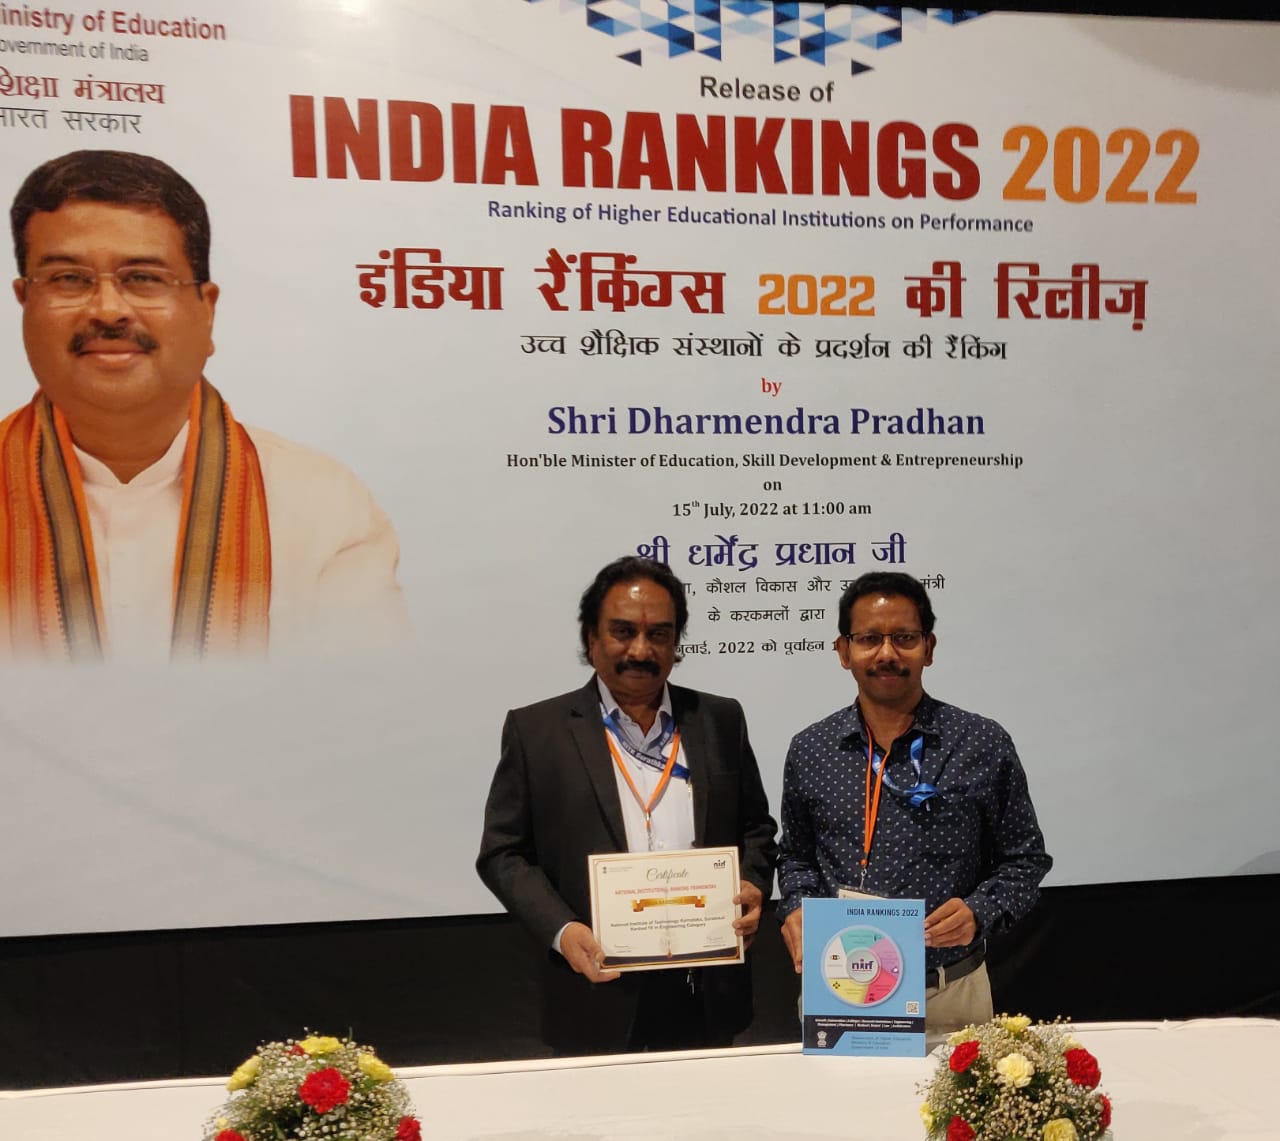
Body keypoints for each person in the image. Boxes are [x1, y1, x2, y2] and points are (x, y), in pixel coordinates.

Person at [3, 149, 405, 662]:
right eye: (68, 279)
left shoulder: (321, 504)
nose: (107, 309)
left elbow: (367, 699)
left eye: (143, 278)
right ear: (24, 300)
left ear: (206, 309)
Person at [477, 555, 777, 1054]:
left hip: (705, 989)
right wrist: (562, 930)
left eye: (659, 634)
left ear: (677, 643)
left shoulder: (719, 719)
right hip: (594, 990)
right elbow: (503, 853)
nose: (641, 650)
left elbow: (756, 829)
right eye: (622, 632)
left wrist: (752, 884)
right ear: (590, 639)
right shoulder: (537, 731)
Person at [777, 571, 1051, 1036]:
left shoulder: (981, 742)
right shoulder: (811, 750)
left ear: (929, 647)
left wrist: (979, 911)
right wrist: (796, 907)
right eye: (869, 639)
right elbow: (796, 857)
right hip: (841, 989)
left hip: (951, 992)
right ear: (843, 651)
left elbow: (1025, 860)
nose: (887, 653)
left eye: (904, 638)